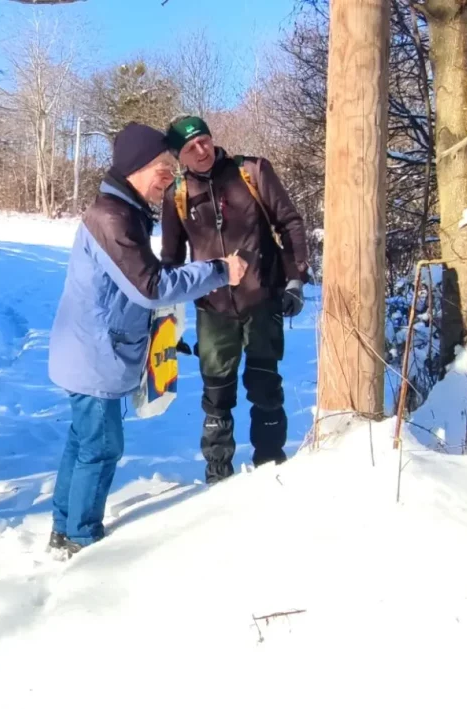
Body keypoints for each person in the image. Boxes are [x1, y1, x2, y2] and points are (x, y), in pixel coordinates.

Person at [47, 122, 247, 555]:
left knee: (84, 442)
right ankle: (79, 537)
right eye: (162, 167)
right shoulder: (112, 217)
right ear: (138, 167)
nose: (169, 177)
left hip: (93, 350)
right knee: (99, 447)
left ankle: (64, 526)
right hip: (93, 353)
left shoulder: (122, 210)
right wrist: (217, 270)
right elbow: (150, 285)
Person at [159, 115, 310, 484]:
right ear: (180, 156)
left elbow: (289, 222)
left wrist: (295, 279)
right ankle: (217, 478)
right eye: (191, 148)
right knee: (216, 398)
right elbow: (171, 259)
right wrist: (167, 317)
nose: (202, 150)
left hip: (262, 301)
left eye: (205, 141)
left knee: (265, 390)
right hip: (213, 310)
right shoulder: (176, 194)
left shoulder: (252, 172)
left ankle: (271, 468)